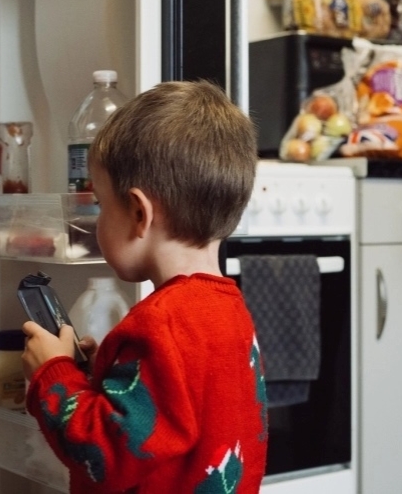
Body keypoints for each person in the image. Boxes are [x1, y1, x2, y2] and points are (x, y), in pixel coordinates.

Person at [22, 80, 267, 494]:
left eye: (100, 205)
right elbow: (170, 417)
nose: (97, 222)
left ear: (139, 213)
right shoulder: (229, 310)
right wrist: (108, 375)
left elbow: (103, 455)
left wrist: (54, 374)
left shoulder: (163, 323)